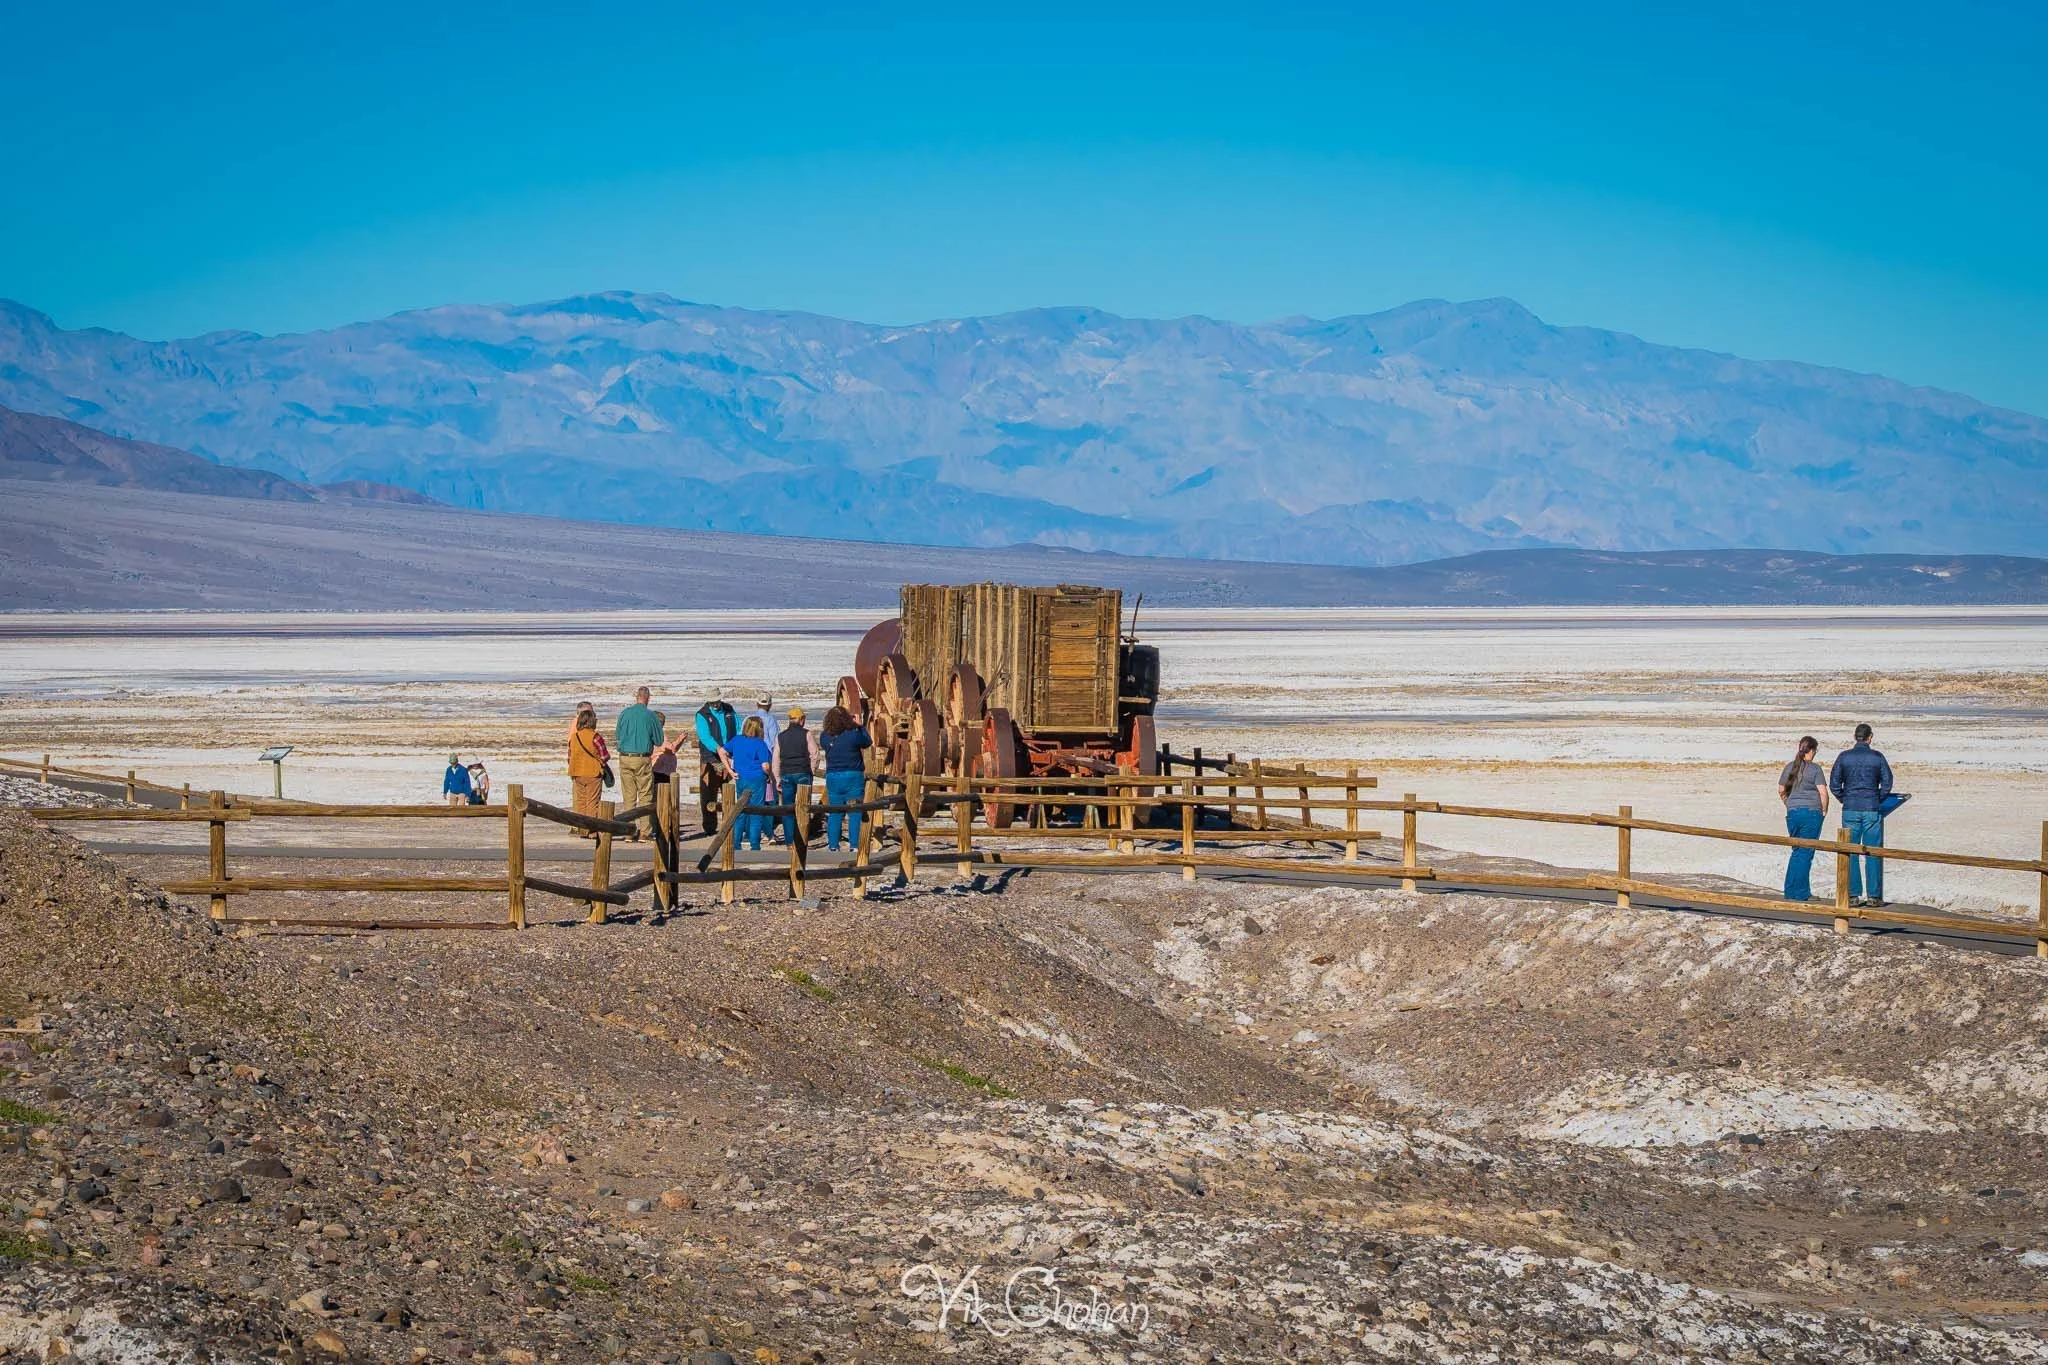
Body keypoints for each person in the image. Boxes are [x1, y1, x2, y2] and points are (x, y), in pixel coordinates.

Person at [1829, 722, 1895, 908]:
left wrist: (1844, 798)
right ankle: (1873, 896)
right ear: (1870, 737)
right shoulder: (1877, 757)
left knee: (1851, 852)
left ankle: (1852, 895)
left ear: (1854, 737)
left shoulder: (1844, 757)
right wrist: (1877, 798)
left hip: (1850, 807)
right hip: (1871, 808)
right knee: (1872, 852)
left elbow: (1834, 783)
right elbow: (1887, 781)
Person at [1777, 735, 1829, 901]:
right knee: (1806, 852)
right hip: (1811, 813)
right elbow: (1823, 792)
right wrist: (1824, 810)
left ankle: (1791, 890)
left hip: (1793, 813)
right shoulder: (1815, 769)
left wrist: (1789, 804)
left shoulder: (1790, 767)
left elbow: (1781, 790)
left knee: (1797, 851)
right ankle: (1801, 893)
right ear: (1812, 751)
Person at [819, 706, 873, 852]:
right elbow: (867, 742)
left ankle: (833, 845)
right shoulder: (853, 735)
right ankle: (854, 845)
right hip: (852, 774)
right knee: (854, 811)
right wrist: (859, 726)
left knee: (835, 811)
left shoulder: (825, 736)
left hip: (833, 776)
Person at [772, 706, 825, 845]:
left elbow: (776, 759)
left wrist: (777, 778)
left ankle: (790, 841)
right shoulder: (806, 734)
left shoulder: (780, 736)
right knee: (803, 807)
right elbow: (815, 755)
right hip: (803, 773)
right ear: (801, 720)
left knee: (788, 808)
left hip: (786, 774)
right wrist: (811, 771)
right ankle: (801, 838)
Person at [615, 686, 664, 838]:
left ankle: (629, 831)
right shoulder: (650, 716)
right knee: (645, 795)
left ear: (637, 697)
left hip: (624, 757)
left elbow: (618, 735)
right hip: (642, 758)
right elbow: (659, 740)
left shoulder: (624, 713)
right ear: (648, 698)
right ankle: (645, 832)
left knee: (628, 795)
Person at [721, 716, 775, 853]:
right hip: (757, 779)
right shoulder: (759, 744)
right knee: (756, 812)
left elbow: (722, 751)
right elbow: (765, 765)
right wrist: (770, 775)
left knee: (740, 810)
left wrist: (730, 771)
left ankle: (737, 843)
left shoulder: (737, 740)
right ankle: (754, 845)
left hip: (741, 778)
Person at [694, 689, 739, 837]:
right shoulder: (702, 714)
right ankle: (709, 827)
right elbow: (705, 736)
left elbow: (738, 729)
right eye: (712, 702)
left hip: (731, 757)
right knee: (708, 794)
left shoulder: (729, 710)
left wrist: (734, 748)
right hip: (710, 759)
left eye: (716, 701)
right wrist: (718, 748)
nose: (714, 704)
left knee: (730, 792)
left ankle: (730, 823)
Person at [567, 710, 606, 838]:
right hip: (592, 772)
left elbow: (570, 756)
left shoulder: (574, 737)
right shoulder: (595, 736)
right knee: (592, 802)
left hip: (577, 772)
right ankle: (592, 830)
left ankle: (583, 829)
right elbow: (604, 755)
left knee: (581, 802)